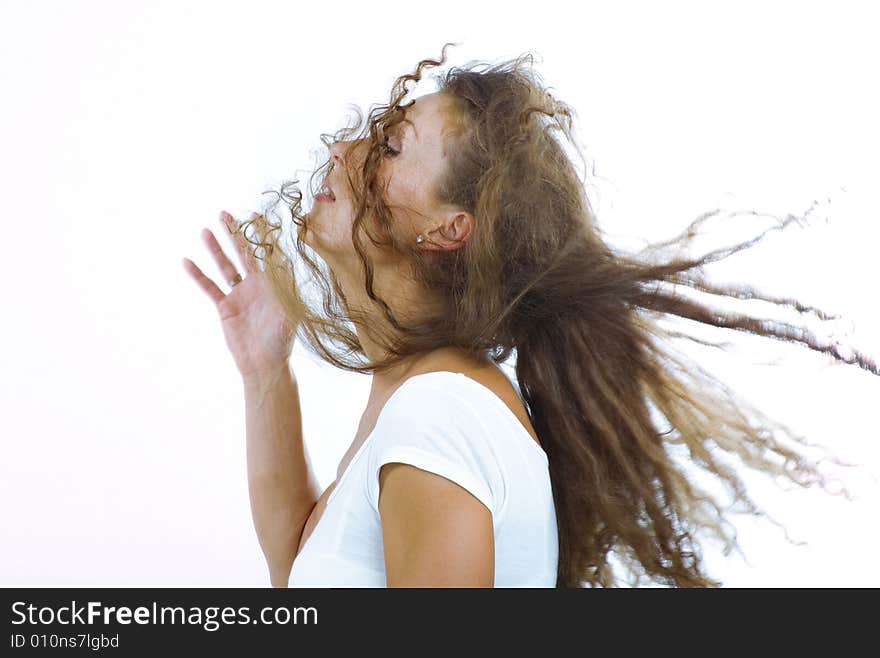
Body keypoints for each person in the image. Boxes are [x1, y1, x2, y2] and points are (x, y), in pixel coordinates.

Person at [183, 44, 878, 588]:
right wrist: (266, 371)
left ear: (450, 229)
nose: (343, 150)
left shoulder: (439, 414)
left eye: (391, 147)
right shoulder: (420, 400)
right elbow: (301, 571)